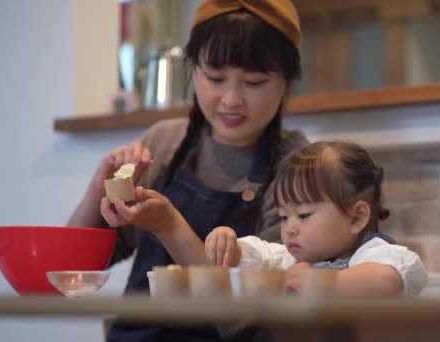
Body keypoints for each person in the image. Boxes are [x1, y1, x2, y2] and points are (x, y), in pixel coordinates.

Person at [67, 0, 308, 340]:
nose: (231, 99)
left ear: (288, 82)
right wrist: (99, 187)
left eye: (253, 81)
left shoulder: (297, 167)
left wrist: (168, 225)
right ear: (193, 70)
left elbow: (254, 313)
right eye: (215, 77)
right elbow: (76, 269)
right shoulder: (164, 143)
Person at [205, 141, 428, 297]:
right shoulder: (289, 259)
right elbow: (253, 256)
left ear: (356, 217)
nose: (289, 228)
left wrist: (314, 281)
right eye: (283, 217)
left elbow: (385, 282)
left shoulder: (374, 255)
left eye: (304, 215)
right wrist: (227, 243)